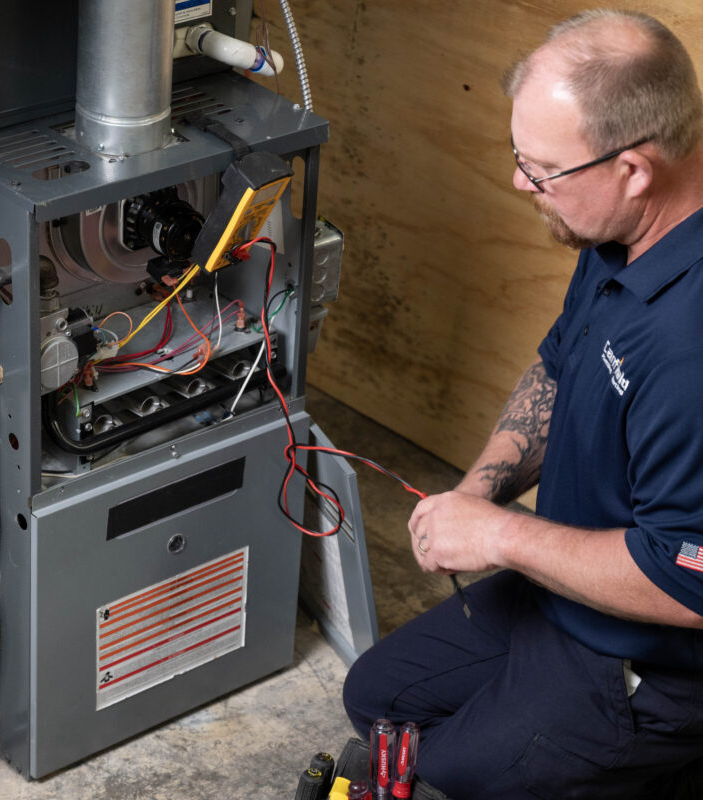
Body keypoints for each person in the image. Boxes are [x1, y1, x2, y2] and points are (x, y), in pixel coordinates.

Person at [342, 9, 703, 799]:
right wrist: (477, 492)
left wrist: (502, 536)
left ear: (634, 168)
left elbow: (687, 582)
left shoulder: (689, 347)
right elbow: (558, 364)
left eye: (540, 170)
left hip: (648, 665)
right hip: (560, 601)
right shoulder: (620, 231)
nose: (519, 184)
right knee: (377, 702)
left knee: (436, 778)